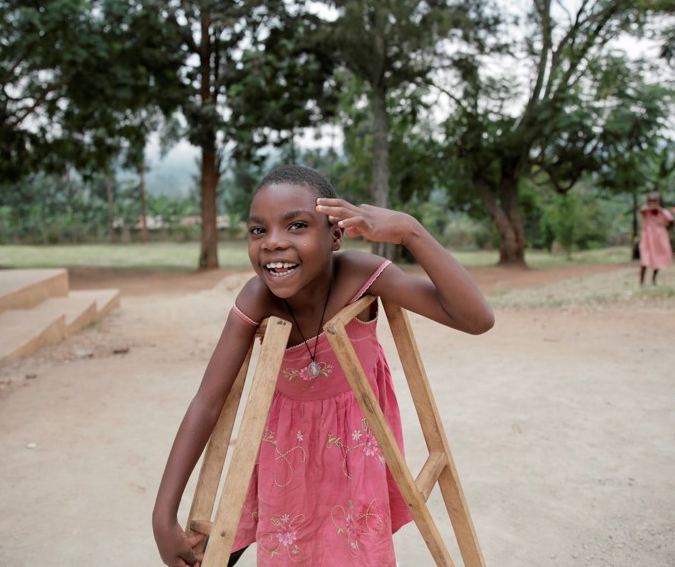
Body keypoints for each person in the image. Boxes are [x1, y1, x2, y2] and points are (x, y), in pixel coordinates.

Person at [152, 165, 494, 567]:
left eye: (296, 226)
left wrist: (408, 230)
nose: (272, 243)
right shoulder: (258, 297)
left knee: (349, 549)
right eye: (258, 230)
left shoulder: (362, 275)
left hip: (357, 442)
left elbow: (476, 319)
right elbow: (207, 403)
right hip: (283, 447)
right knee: (240, 541)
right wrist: (163, 515)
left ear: (335, 235)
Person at [638, 191, 674, 285]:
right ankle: (641, 282)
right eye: (651, 201)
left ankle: (653, 279)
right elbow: (641, 210)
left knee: (658, 258)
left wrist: (664, 229)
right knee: (644, 259)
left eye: (655, 201)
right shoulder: (646, 211)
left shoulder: (664, 212)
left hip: (659, 239)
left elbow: (671, 221)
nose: (653, 203)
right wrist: (650, 207)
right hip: (647, 238)